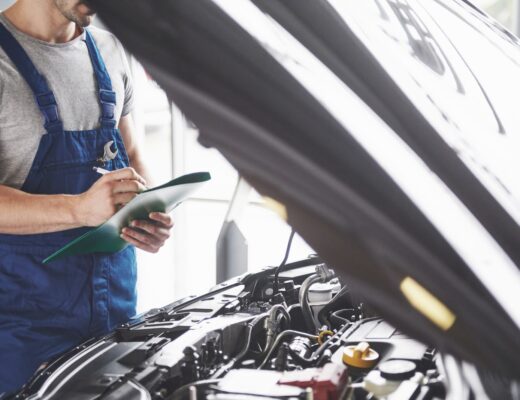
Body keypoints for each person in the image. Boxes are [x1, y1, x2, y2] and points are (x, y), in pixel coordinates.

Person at [0, 0, 174, 393]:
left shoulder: (110, 50)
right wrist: (79, 209)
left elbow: (134, 155)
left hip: (115, 316)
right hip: (21, 332)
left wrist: (151, 211)